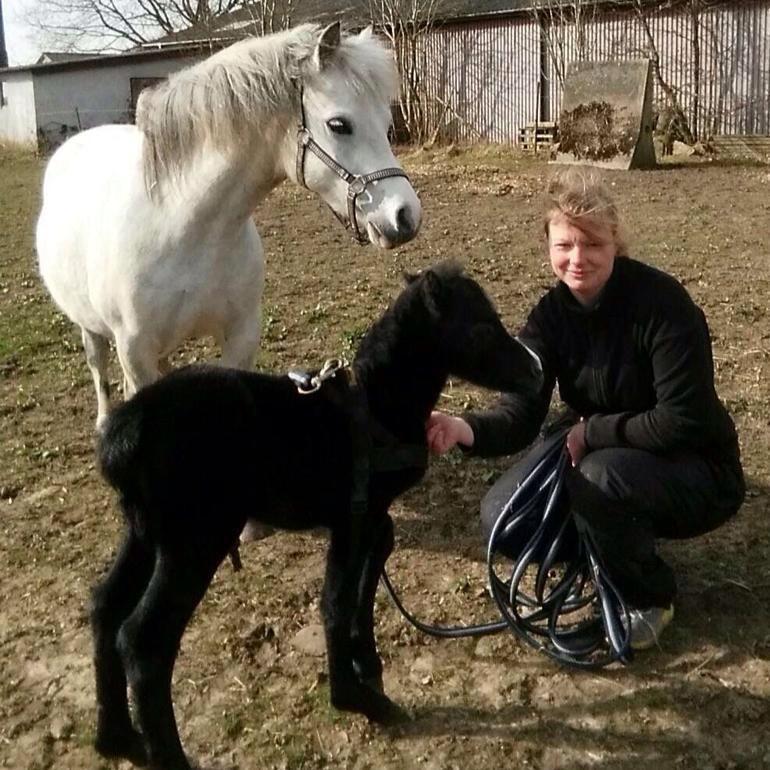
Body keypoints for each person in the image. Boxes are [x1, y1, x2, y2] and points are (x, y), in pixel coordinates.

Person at [426, 167, 745, 650]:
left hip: (695, 466)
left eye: (593, 245)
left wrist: (593, 431)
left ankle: (648, 595)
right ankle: (606, 547)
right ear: (548, 246)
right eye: (565, 245)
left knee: (599, 478)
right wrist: (462, 428)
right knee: (502, 516)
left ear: (615, 241)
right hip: (605, 455)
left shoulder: (663, 306)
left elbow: (685, 419)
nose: (578, 259)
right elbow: (522, 409)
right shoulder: (550, 317)